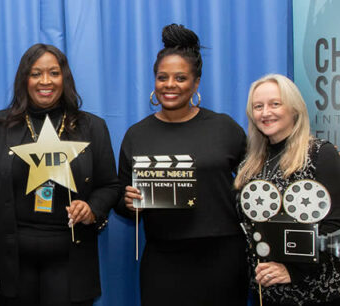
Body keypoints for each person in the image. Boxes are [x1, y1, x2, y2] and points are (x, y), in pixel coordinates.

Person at [0, 43, 120, 306]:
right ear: (24, 79)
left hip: (71, 260)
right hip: (12, 262)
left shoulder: (92, 127)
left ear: (65, 78)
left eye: (53, 73)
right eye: (35, 73)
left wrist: (92, 208)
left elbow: (109, 185)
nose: (45, 81)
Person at [114, 24, 249, 305]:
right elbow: (121, 202)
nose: (170, 85)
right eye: (162, 77)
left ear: (196, 83)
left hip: (223, 254)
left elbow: (260, 173)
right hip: (164, 257)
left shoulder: (224, 127)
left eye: (180, 78)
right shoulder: (137, 134)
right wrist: (127, 203)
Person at [234, 74, 340, 306]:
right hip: (268, 291)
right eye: (258, 106)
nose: (265, 112)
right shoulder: (251, 164)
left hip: (316, 291)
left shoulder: (320, 154)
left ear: (295, 109)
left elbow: (334, 227)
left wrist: (293, 270)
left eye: (275, 104)